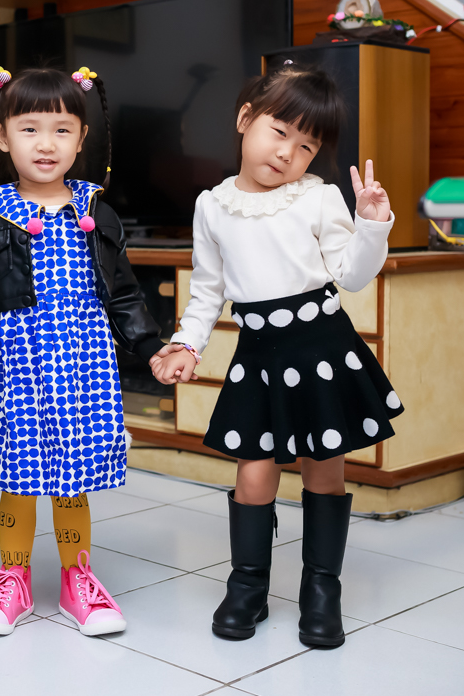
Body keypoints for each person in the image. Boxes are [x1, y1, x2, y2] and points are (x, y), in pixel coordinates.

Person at [154, 65, 402, 649]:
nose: (289, 152)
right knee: (254, 471)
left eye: (307, 145)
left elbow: (352, 276)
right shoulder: (213, 206)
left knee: (324, 465)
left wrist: (371, 226)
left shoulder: (317, 197)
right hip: (259, 354)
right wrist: (187, 343)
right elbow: (208, 290)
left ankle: (322, 588)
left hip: (322, 348)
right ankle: (248, 585)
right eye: (280, 132)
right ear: (246, 119)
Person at [0, 66, 169, 637]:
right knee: (18, 475)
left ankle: (79, 578)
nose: (45, 144)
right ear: (3, 136)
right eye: (29, 129)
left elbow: (123, 291)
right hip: (15, 364)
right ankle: (14, 579)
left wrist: (150, 345)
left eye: (61, 130)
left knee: (71, 478)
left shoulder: (95, 211)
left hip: (82, 361)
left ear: (82, 138)